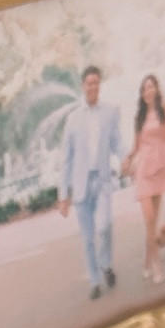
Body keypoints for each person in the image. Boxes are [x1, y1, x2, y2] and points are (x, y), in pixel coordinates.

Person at [57, 66, 122, 300]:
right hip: (81, 186)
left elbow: (116, 142)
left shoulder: (109, 113)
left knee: (104, 227)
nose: (92, 87)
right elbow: (66, 159)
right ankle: (95, 281)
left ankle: (105, 265)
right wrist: (63, 195)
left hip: (102, 181)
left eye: (96, 82)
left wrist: (125, 161)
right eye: (88, 83)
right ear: (83, 86)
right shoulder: (73, 119)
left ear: (99, 85)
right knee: (87, 237)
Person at [122, 72, 165, 282]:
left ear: (156, 89)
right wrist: (128, 160)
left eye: (151, 86)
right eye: (145, 87)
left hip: (160, 167)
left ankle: (147, 260)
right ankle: (156, 267)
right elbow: (135, 147)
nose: (149, 90)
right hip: (143, 171)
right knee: (149, 220)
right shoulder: (139, 117)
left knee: (152, 223)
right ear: (142, 93)